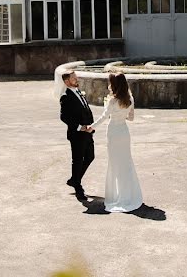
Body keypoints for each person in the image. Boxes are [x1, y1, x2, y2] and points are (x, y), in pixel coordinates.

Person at [89, 71, 143, 212]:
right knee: (126, 164)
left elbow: (103, 117)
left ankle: (118, 195)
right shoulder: (130, 99)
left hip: (113, 133)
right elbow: (131, 118)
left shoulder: (112, 101)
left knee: (115, 164)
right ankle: (130, 195)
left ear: (115, 85)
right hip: (124, 133)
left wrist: (91, 127)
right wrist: (121, 114)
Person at [58, 70, 94, 201]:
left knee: (90, 156)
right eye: (74, 78)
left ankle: (74, 179)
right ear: (67, 81)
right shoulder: (65, 96)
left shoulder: (79, 92)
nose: (76, 79)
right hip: (77, 134)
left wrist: (91, 125)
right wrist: (80, 127)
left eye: (76, 77)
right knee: (77, 161)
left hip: (88, 132)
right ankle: (78, 188)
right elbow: (63, 117)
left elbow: (86, 109)